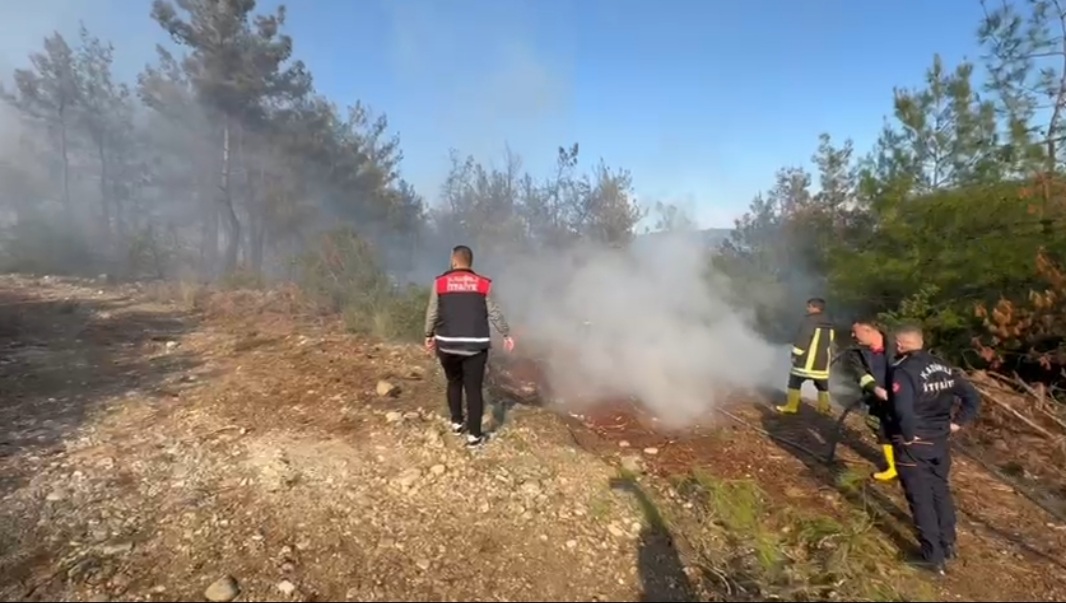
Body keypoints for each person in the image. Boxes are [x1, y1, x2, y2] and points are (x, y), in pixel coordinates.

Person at [888, 324, 981, 574]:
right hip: (939, 441)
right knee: (940, 491)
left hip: (914, 443)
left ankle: (932, 557)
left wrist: (907, 436)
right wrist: (957, 423)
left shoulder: (903, 371)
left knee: (921, 498)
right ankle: (948, 544)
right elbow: (972, 397)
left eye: (896, 343)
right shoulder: (944, 366)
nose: (894, 347)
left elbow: (902, 410)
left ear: (902, 345)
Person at [423, 245, 515, 448]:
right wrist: (506, 334)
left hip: (447, 345)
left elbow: (432, 312)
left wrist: (429, 335)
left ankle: (456, 423)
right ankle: (474, 436)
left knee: (453, 382)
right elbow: (495, 313)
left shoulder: (440, 283)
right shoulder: (484, 284)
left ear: (454, 260)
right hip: (475, 345)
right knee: (473, 389)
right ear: (470, 262)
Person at [845, 319, 899, 481]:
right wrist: (876, 389)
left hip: (903, 398)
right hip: (878, 399)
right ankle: (893, 467)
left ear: (869, 330)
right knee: (881, 430)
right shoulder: (855, 352)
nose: (853, 336)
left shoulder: (897, 345)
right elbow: (860, 375)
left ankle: (914, 466)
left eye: (856, 332)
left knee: (906, 432)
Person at [775, 298, 835, 415]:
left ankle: (791, 407)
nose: (807, 309)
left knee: (794, 382)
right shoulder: (829, 322)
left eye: (808, 306)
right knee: (822, 386)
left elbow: (803, 338)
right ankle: (823, 409)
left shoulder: (809, 321)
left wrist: (795, 353)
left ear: (813, 307)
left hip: (806, 360)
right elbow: (830, 340)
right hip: (822, 362)